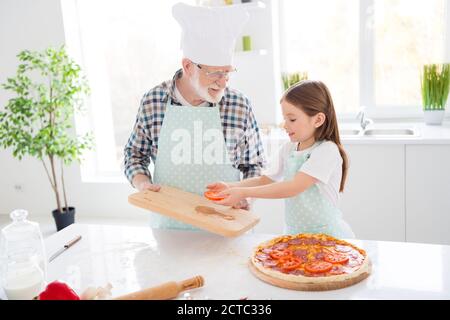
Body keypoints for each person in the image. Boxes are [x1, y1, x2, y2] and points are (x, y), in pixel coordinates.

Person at [123, 3, 265, 230]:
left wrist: (246, 197)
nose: (223, 82)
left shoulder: (239, 105)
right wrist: (143, 184)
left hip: (225, 223)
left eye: (227, 72)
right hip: (169, 227)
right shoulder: (153, 102)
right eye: (214, 73)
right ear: (188, 66)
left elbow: (254, 164)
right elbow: (134, 154)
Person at [207, 80, 355, 238]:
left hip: (326, 235)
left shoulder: (327, 151)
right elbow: (265, 180)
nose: (285, 125)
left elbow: (293, 187)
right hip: (296, 234)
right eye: (285, 118)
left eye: (292, 119)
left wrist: (242, 192)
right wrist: (230, 186)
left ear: (318, 120)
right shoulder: (288, 149)